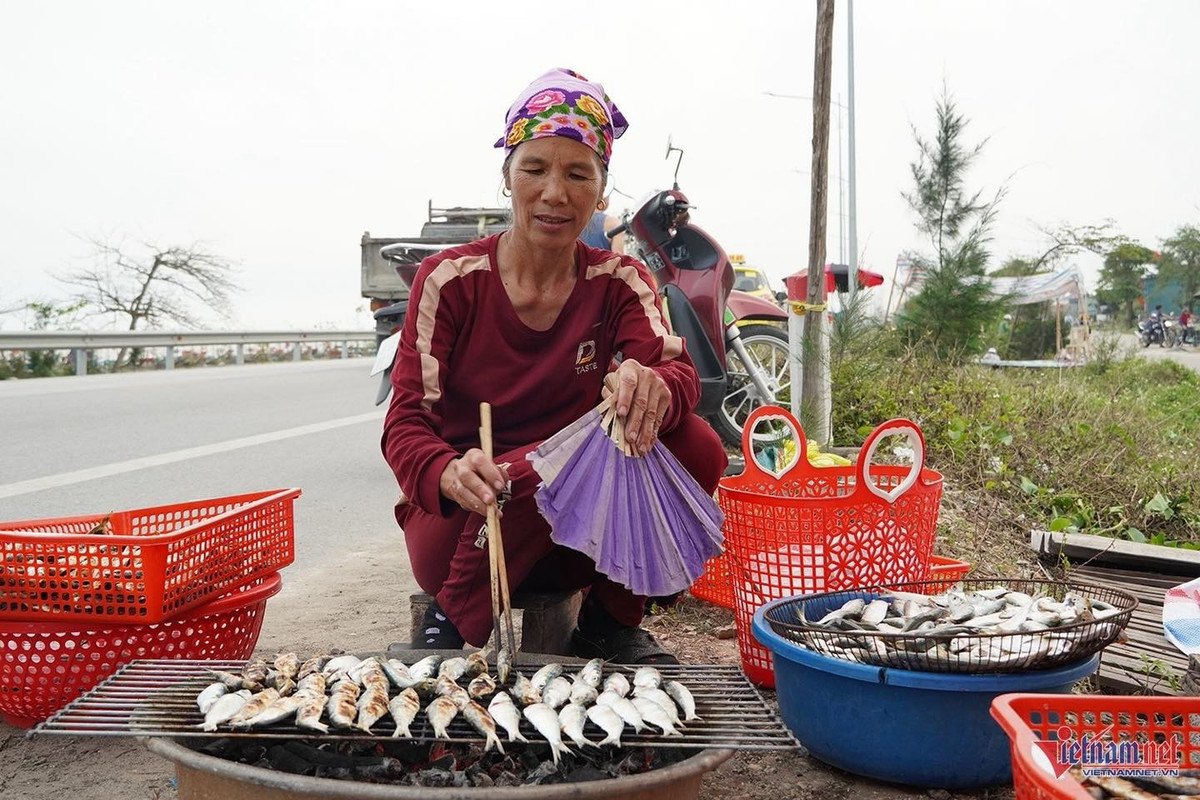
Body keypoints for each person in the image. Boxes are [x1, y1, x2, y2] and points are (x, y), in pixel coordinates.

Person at [381, 68, 727, 664]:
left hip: (580, 538)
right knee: (553, 464)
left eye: (577, 173)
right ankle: (456, 608)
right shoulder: (451, 280)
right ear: (507, 176)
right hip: (472, 526)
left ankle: (609, 621)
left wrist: (651, 388)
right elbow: (405, 422)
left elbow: (679, 377)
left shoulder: (619, 281)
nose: (554, 193)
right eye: (534, 168)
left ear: (601, 191)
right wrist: (444, 471)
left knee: (695, 444)